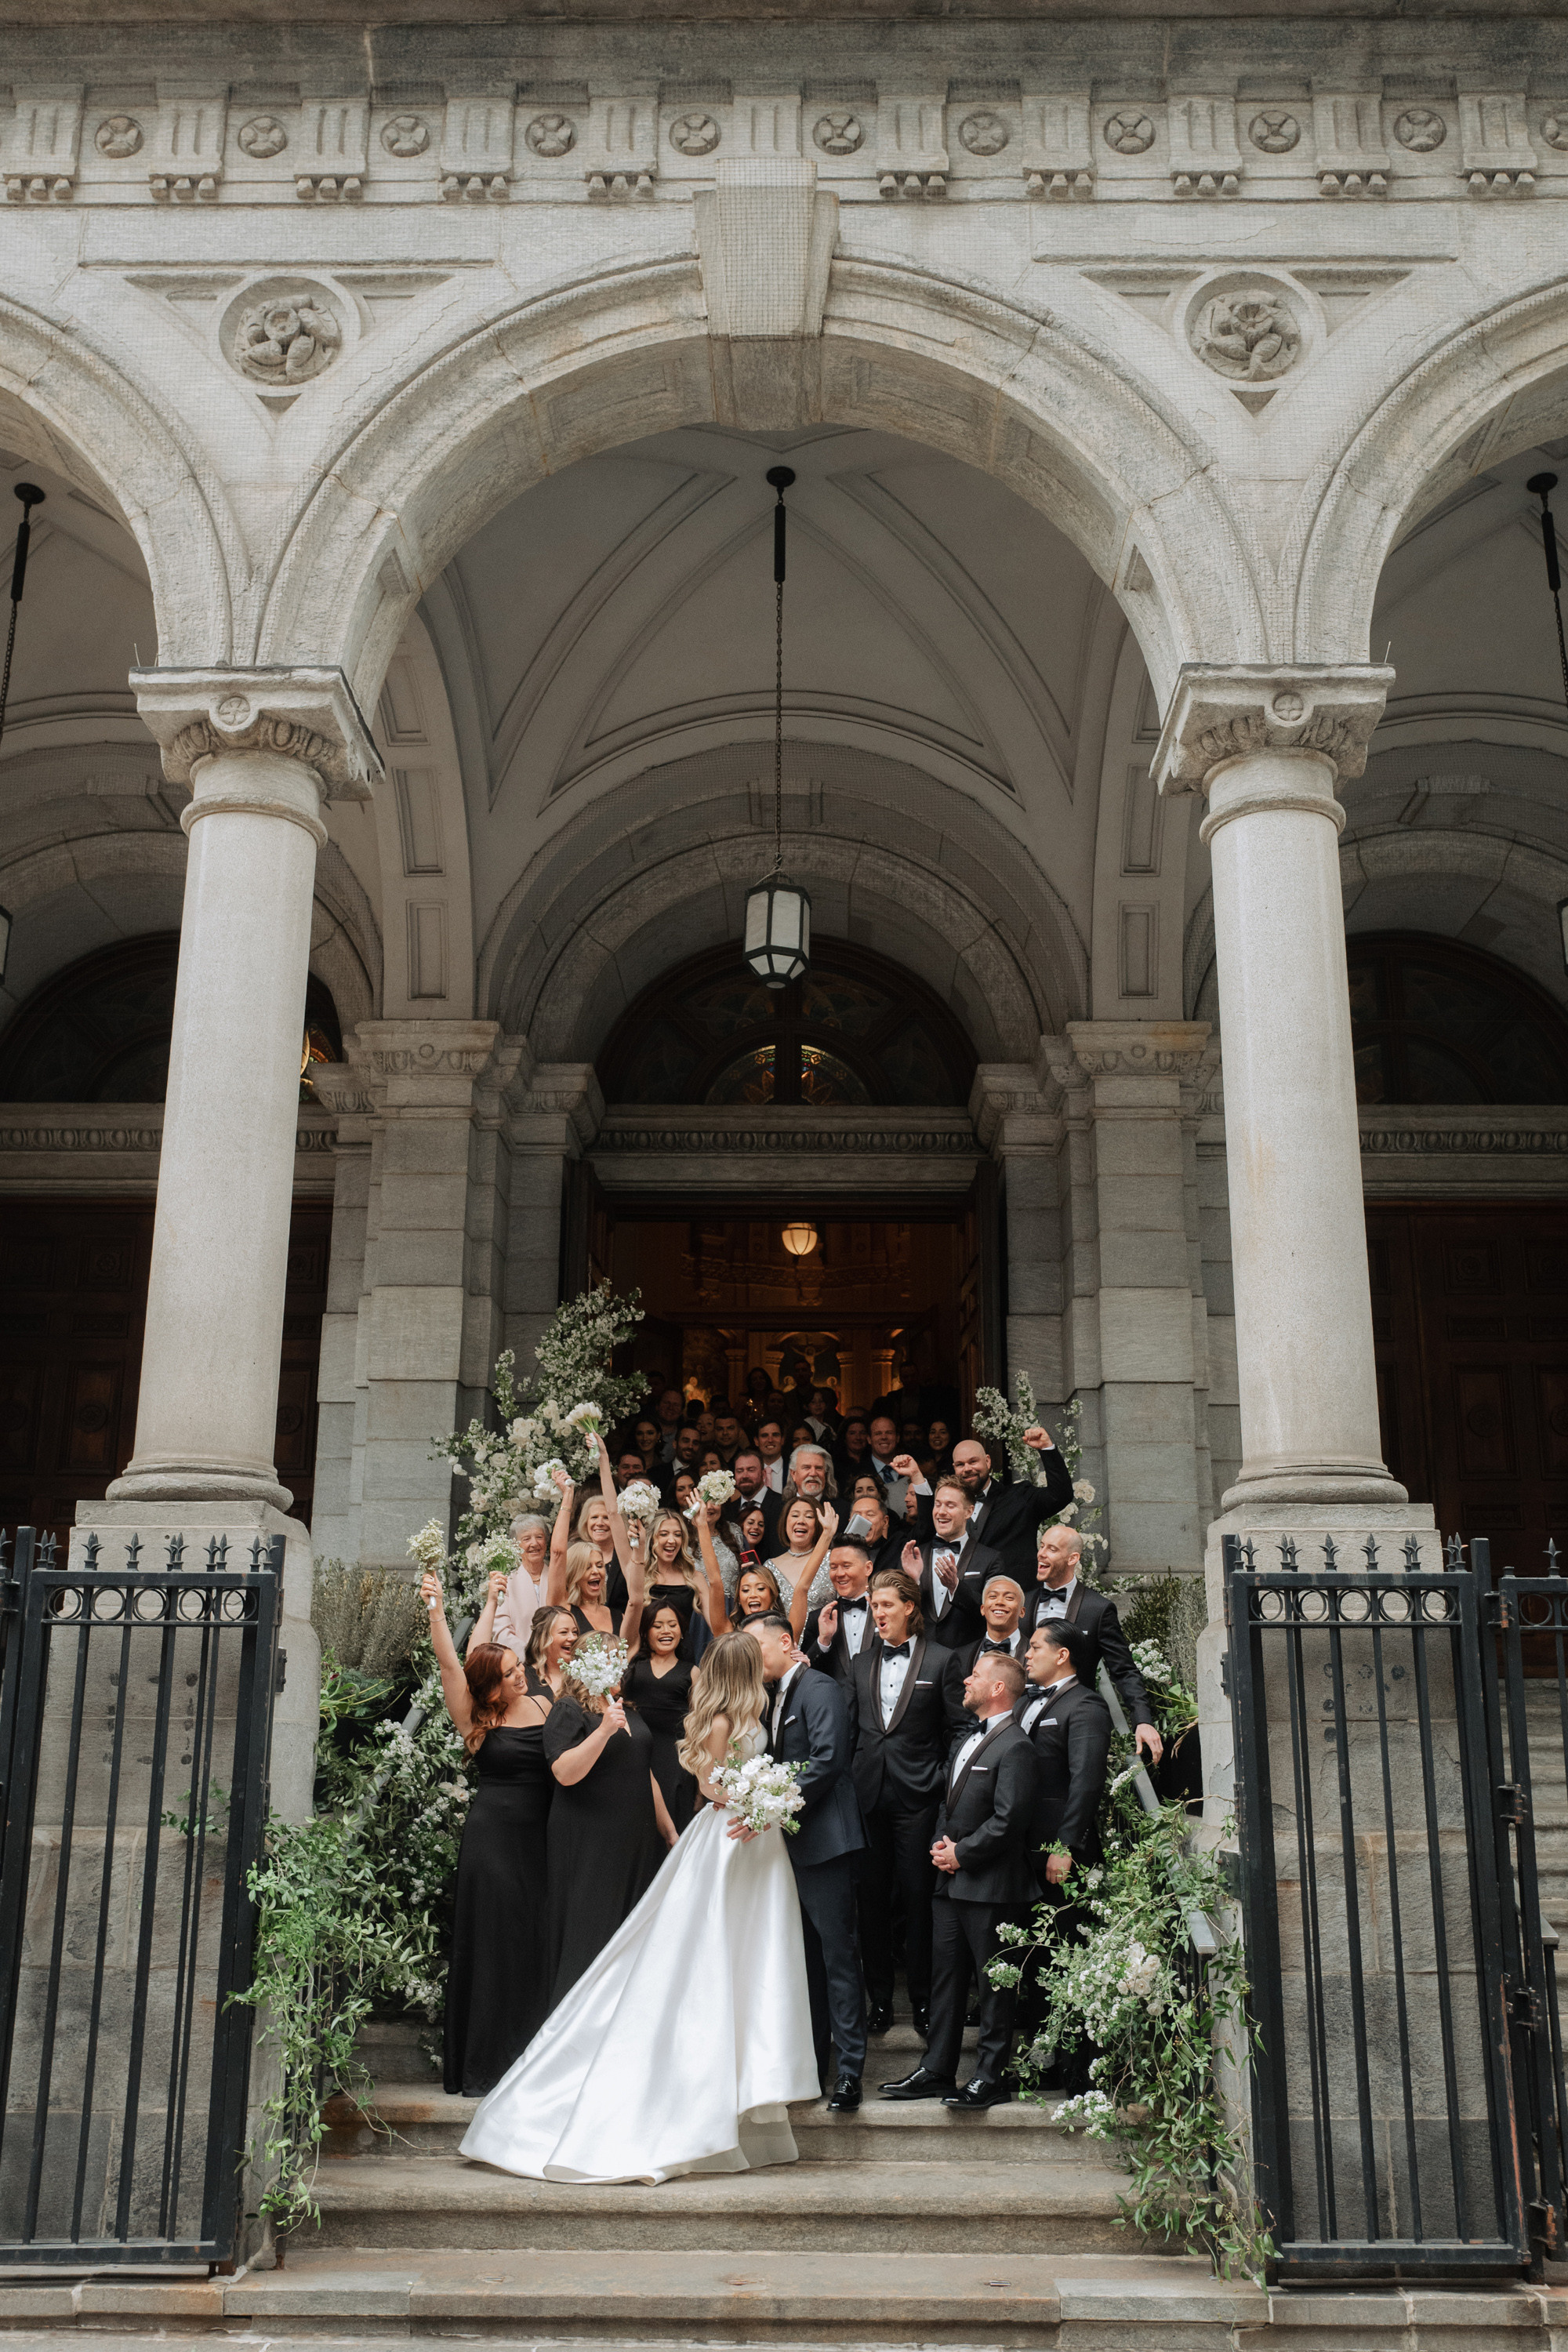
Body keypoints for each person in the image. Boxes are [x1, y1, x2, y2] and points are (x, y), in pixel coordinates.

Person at [462, 1632, 818, 2182]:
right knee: (705, 1964)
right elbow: (707, 1782)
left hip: (750, 1845)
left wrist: (728, 1812)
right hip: (721, 1841)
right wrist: (764, 1797)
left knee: (752, 1963)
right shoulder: (592, 1711)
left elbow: (658, 1775)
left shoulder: (678, 1711)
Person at [880, 1650, 1038, 2110]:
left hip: (992, 1886)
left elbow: (1010, 1820)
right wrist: (939, 1849)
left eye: (976, 1675)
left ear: (997, 1689)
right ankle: (937, 2068)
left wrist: (961, 1855)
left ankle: (991, 2077)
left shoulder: (1017, 1746)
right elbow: (948, 1805)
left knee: (994, 1983)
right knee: (945, 1978)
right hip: (948, 1882)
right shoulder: (967, 1738)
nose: (966, 1681)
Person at [421, 1570, 554, 2097]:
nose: (521, 1675)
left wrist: (494, 1601)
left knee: (533, 1941)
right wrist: (436, 1612)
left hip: (541, 1838)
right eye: (510, 1672)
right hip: (493, 1842)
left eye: (520, 1666)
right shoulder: (475, 1717)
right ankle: (486, 2064)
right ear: (491, 1686)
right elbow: (454, 1663)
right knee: (494, 1943)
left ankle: (531, 2057)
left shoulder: (544, 1704)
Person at [743, 1613, 867, 2111]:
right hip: (793, 1847)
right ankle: (814, 2067)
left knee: (838, 1957)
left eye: (757, 1646)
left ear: (786, 1641)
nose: (752, 1658)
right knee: (808, 1963)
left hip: (827, 1843)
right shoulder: (774, 1696)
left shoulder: (818, 1687)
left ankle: (850, 2073)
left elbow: (828, 1759)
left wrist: (771, 1807)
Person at [848, 1566, 968, 2039]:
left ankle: (922, 2000)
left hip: (919, 1798)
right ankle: (879, 2000)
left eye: (885, 1605)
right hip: (868, 1795)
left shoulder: (942, 1660)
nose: (877, 1614)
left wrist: (940, 1779)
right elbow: (854, 1730)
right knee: (871, 1902)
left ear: (909, 1608)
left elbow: (959, 1729)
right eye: (874, 1606)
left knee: (918, 1901)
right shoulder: (859, 1664)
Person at [542, 1632, 678, 2006]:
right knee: (592, 1931)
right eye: (614, 1659)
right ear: (590, 1665)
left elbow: (643, 1771)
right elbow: (564, 1772)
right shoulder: (569, 1710)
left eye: (622, 1659)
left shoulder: (625, 1707)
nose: (622, 1666)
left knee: (629, 1932)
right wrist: (603, 1730)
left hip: (635, 1839)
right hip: (591, 1839)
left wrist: (669, 1832)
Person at [1016, 1619, 1112, 2088]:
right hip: (1026, 1854)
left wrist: (1065, 1846)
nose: (1026, 1653)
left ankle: (1079, 2069)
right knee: (1038, 1957)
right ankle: (1043, 2061)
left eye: (1035, 1646)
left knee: (1070, 1953)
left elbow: (1086, 1782)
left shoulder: (1087, 1705)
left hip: (1062, 1857)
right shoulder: (1029, 1703)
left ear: (1063, 1655)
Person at [1022, 1524, 1163, 1766]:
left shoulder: (1098, 1609)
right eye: (1042, 1546)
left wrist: (1143, 1720)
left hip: (1070, 1723)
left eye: (1052, 1549)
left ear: (1072, 1558)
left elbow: (1124, 1670)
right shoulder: (1023, 1602)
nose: (1041, 1553)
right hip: (1021, 1716)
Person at [895, 1428, 1075, 1584]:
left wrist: (1047, 1448)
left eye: (973, 1462)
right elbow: (925, 1531)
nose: (967, 1469)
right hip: (960, 1606)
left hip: (1013, 1600)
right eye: (960, 1464)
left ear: (987, 1461)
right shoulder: (947, 1510)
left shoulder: (1020, 1497)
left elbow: (1060, 1495)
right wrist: (916, 1476)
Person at [544, 1443, 645, 1639]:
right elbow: (557, 1553)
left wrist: (604, 1458)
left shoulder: (620, 1616)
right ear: (574, 1573)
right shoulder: (563, 1609)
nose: (596, 1571)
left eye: (599, 1565)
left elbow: (614, 1514)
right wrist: (567, 1497)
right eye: (587, 1566)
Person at [899, 1476, 1005, 1652]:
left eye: (950, 1505)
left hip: (968, 1659)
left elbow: (993, 1612)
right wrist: (913, 1581)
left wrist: (956, 1587)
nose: (941, 1512)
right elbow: (898, 1613)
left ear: (969, 1511)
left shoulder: (990, 1559)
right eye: (938, 1504)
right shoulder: (913, 1556)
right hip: (921, 1658)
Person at [624, 1599, 700, 1831]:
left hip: (677, 1760)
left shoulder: (693, 1672)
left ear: (682, 1631)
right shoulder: (633, 1667)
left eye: (672, 1625)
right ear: (646, 1632)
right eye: (657, 1626)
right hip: (636, 1755)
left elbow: (701, 1724)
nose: (666, 1631)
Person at [802, 1535, 877, 1685]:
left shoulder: (886, 1611)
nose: (839, 1574)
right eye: (834, 1567)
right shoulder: (818, 1619)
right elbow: (804, 1673)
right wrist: (823, 1641)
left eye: (847, 1566)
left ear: (868, 1568)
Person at [485, 1512, 551, 1656]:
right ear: (516, 1545)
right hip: (521, 1663)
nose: (534, 1543)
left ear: (546, 1542)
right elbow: (501, 1632)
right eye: (527, 1539)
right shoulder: (506, 1582)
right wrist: (530, 1655)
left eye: (539, 1537)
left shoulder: (557, 1577)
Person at [768, 1495, 838, 1622]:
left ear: (818, 1523)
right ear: (785, 1522)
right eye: (795, 1516)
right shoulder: (769, 1566)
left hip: (824, 1639)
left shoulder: (833, 1558)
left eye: (809, 1516)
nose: (801, 1521)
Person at [957, 1574, 1029, 1671]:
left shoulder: (1037, 1653)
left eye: (1009, 1598)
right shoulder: (961, 1656)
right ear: (982, 1609)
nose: (999, 1602)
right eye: (993, 1596)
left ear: (1022, 1611)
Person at [843, 1471, 906, 1575]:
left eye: (870, 1515)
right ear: (850, 1521)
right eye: (857, 1515)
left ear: (885, 1522)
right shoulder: (838, 1550)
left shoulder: (896, 1548)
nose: (863, 1520)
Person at [731, 1446, 782, 1552]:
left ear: (763, 1474)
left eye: (751, 1470)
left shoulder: (783, 1505)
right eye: (740, 1471)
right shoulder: (728, 1509)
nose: (745, 1475)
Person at [782, 1442, 837, 1508]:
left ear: (826, 1474)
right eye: (806, 1468)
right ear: (793, 1474)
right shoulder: (779, 1508)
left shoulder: (843, 1510)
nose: (813, 1473)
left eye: (818, 1468)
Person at [756, 1418, 788, 1492]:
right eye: (764, 1436)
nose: (770, 1440)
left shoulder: (793, 1469)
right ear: (756, 1441)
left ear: (782, 1440)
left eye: (775, 1435)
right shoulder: (748, 1472)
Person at [868, 1414, 901, 1478]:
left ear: (897, 1438)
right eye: (878, 1433)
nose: (884, 1437)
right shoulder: (855, 1472)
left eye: (889, 1433)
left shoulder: (910, 1470)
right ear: (869, 1439)